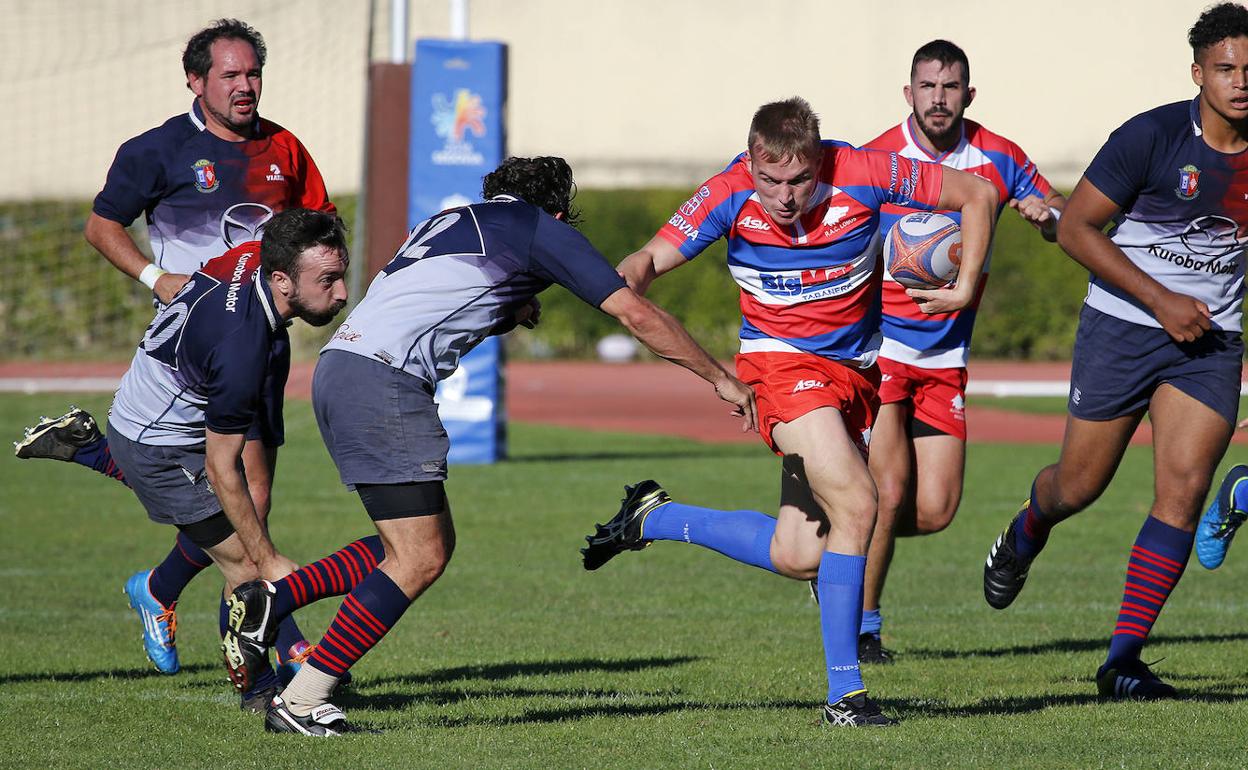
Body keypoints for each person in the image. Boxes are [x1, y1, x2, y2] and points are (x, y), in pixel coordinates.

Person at [219, 155, 756, 737]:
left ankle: (274, 599)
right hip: (383, 383)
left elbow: (434, 298)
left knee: (414, 545)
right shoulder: (535, 227)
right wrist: (721, 377)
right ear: (555, 212)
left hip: (343, 371)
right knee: (419, 557)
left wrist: (512, 308)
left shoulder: (448, 221)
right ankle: (302, 699)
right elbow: (634, 312)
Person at [579, 97, 997, 727]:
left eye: (798, 179)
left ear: (819, 160)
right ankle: (846, 698)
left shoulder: (863, 171)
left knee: (800, 553)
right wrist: (627, 283)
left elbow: (978, 194)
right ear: (751, 161)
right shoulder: (727, 192)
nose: (782, 195)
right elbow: (648, 258)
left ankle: (655, 518)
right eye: (768, 179)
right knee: (861, 502)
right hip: (780, 368)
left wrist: (964, 285)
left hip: (854, 373)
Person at [12, 18, 334, 682]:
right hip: (197, 351)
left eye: (253, 74)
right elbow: (101, 227)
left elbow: (316, 226)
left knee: (249, 505)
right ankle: (272, 661)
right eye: (230, 75)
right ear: (195, 80)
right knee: (230, 503)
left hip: (263, 347)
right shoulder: (156, 150)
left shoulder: (285, 149)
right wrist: (157, 279)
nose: (245, 87)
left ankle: (158, 589)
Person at [982, 2, 1248, 700]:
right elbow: (1075, 228)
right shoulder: (1151, 135)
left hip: (1211, 342)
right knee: (1079, 486)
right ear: (1199, 73)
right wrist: (1162, 302)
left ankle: (1122, 661)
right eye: (1226, 68)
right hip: (1124, 328)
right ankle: (1027, 528)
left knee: (1184, 492)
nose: (1240, 81)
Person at [854, 40, 1066, 664]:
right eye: (927, 86)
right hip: (883, 346)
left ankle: (841, 542)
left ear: (968, 94)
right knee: (889, 493)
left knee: (936, 509)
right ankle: (864, 625)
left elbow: (1064, 213)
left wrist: (1045, 214)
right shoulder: (874, 159)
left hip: (946, 358)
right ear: (908, 93)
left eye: (950, 88)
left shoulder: (999, 156)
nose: (938, 99)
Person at [106, 208, 348, 712]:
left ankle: (278, 666)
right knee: (243, 563)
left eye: (341, 275)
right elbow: (221, 466)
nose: (342, 293)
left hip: (162, 413)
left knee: (244, 530)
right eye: (328, 280)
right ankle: (261, 695)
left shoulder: (248, 259)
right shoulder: (242, 349)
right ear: (281, 280)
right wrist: (269, 559)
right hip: (157, 443)